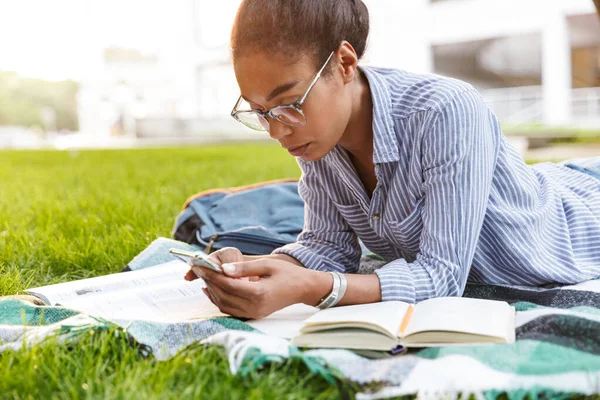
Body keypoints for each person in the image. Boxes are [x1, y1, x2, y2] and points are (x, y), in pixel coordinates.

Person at [186, 0, 600, 319]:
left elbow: (442, 276)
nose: (277, 131)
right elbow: (327, 247)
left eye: (288, 103)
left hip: (579, 221)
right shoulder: (317, 137)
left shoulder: (446, 110)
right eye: (261, 112)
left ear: (345, 63)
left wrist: (314, 288)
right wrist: (253, 268)